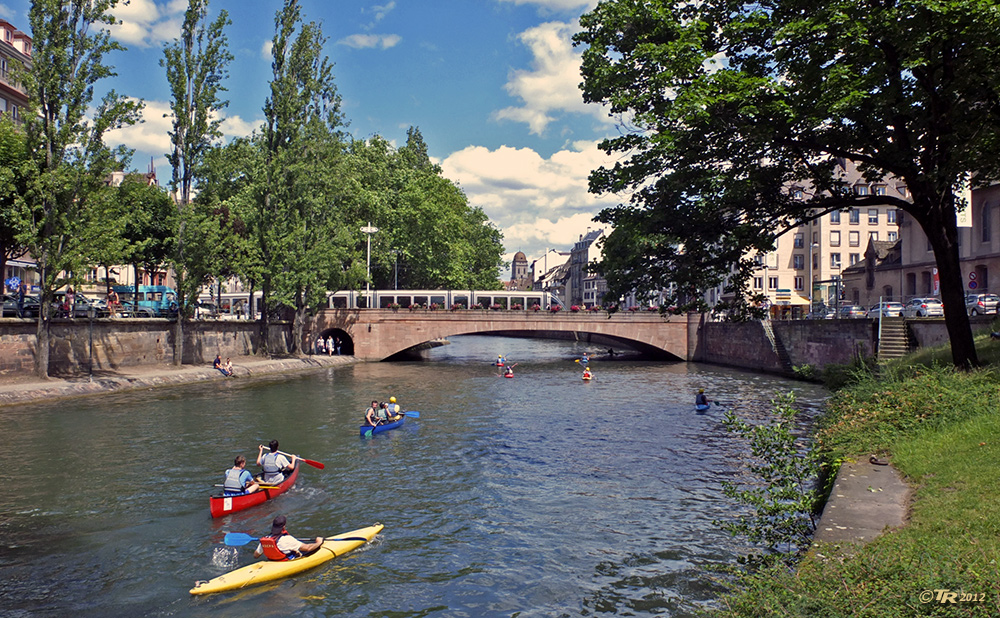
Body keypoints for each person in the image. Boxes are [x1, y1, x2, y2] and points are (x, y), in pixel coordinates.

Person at [253, 515, 324, 561]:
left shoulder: (266, 539)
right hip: (286, 563)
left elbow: (256, 555)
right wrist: (319, 542)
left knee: (296, 550)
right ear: (284, 527)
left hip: (272, 562)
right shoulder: (287, 539)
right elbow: (308, 548)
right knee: (310, 549)